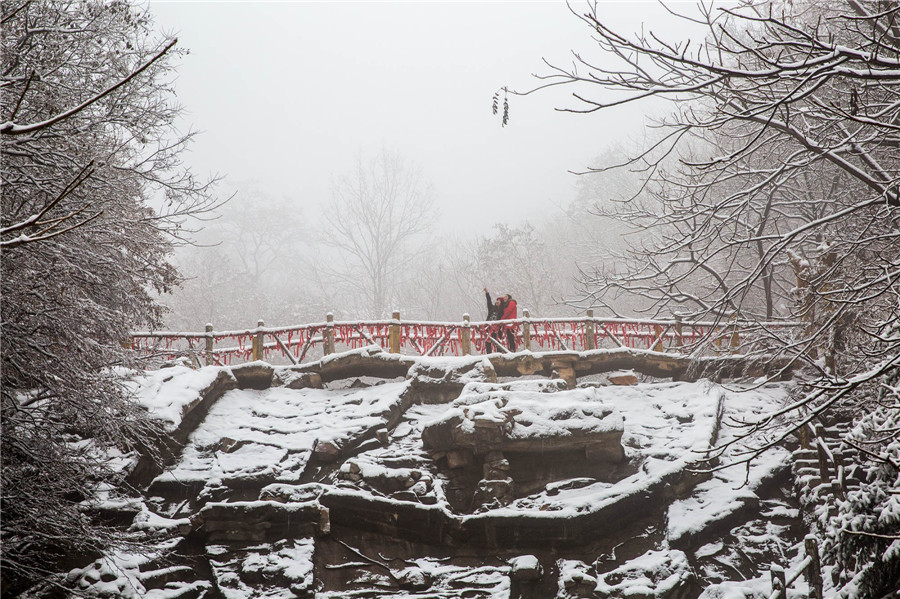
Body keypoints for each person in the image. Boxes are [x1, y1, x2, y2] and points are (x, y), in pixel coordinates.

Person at [483, 288, 503, 353]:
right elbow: (489, 301)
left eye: (499, 300)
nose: (497, 301)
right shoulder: (492, 308)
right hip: (488, 328)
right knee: (488, 341)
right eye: (497, 300)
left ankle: (499, 354)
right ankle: (489, 354)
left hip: (497, 328)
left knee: (498, 341)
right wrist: (487, 293)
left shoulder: (502, 310)